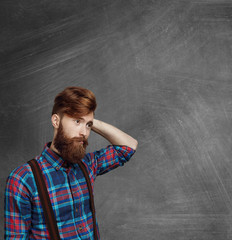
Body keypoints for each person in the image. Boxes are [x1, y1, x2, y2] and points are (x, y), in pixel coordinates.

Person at [4, 86, 138, 239]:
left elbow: (128, 146)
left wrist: (90, 121)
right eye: (76, 121)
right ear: (56, 120)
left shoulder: (87, 165)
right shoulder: (23, 179)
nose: (84, 133)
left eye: (88, 125)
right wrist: (85, 120)